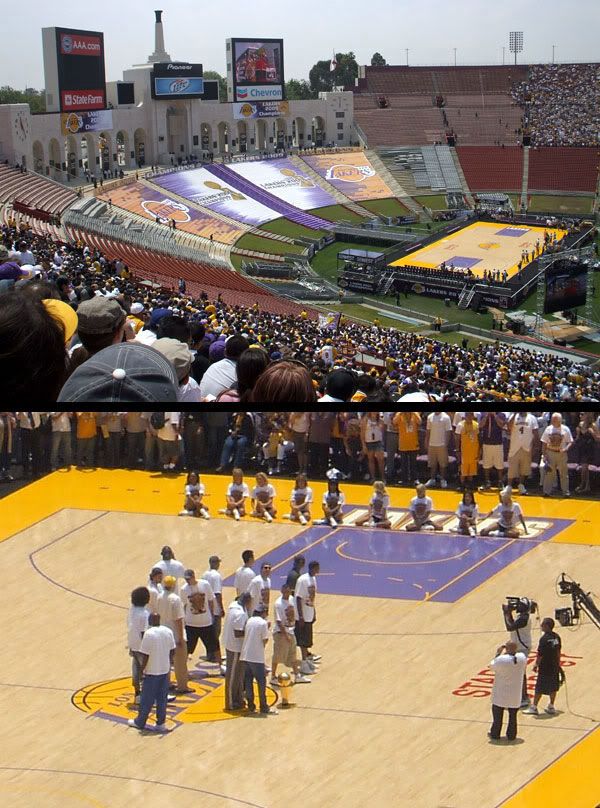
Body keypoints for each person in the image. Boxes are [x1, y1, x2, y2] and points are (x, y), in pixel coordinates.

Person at [128, 613, 175, 733]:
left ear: (150, 620)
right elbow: (172, 649)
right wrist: (168, 662)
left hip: (152, 671)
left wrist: (142, 670)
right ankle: (161, 723)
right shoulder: (168, 631)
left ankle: (140, 721)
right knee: (162, 699)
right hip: (165, 670)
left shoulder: (149, 634)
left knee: (147, 699)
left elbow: (145, 654)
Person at [240, 603, 277, 715]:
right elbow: (264, 640)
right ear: (264, 612)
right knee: (261, 682)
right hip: (256, 657)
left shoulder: (249, 621)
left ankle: (251, 706)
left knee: (248, 681)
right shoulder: (263, 623)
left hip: (245, 656)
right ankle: (263, 706)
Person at [271, 583, 311, 686]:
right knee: (277, 655)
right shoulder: (278, 604)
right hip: (281, 633)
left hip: (291, 631)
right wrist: (285, 635)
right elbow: (279, 622)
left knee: (293, 654)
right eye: (285, 591)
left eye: (288, 591)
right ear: (281, 591)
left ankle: (297, 676)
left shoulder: (292, 599)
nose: (287, 593)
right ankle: (273, 677)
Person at [156, 575, 190, 694]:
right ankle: (182, 686)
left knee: (165, 662)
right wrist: (180, 638)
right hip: (174, 634)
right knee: (180, 662)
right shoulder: (175, 599)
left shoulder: (159, 597)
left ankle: (167, 684)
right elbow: (178, 619)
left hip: (163, 633)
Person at [488, 640, 527, 741]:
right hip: (515, 694)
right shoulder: (522, 658)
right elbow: (516, 655)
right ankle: (511, 735)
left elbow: (491, 666)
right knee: (513, 717)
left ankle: (495, 734)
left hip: (501, 693)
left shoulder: (501, 660)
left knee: (497, 716)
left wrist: (498, 653)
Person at [181, 569, 220, 667]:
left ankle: (220, 665)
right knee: (187, 648)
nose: (187, 581)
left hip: (206, 622)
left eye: (189, 579)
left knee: (215, 645)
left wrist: (212, 614)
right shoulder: (184, 589)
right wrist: (183, 620)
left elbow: (211, 600)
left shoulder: (205, 585)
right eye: (186, 579)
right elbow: (184, 605)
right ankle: (183, 668)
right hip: (191, 624)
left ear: (194, 576)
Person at [523, 618, 562, 715]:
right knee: (553, 686)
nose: (541, 626)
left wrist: (536, 664)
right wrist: (558, 664)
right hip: (554, 666)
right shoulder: (556, 637)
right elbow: (558, 651)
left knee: (539, 687)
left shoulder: (544, 639)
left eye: (543, 624)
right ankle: (551, 706)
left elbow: (540, 654)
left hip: (545, 667)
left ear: (547, 626)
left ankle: (534, 707)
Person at [503, 597, 536, 707]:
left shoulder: (524, 619)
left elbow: (510, 627)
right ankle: (518, 695)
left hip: (522, 647)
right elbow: (513, 624)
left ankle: (524, 697)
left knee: (520, 673)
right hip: (518, 645)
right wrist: (509, 614)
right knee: (515, 672)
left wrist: (506, 613)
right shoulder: (522, 616)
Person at [223, 591, 252, 711]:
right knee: (233, 675)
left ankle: (238, 699)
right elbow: (238, 632)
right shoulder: (240, 613)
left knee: (239, 675)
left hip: (236, 646)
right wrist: (251, 631)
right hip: (235, 647)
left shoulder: (234, 605)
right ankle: (230, 702)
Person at [295, 560, 321, 675]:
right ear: (313, 568)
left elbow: (312, 597)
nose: (318, 570)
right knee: (303, 640)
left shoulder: (313, 579)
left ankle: (306, 659)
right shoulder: (302, 580)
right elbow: (298, 598)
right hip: (303, 615)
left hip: (309, 613)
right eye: (317, 568)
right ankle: (304, 663)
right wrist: (300, 616)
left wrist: (313, 611)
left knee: (308, 640)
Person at [541, 413, 574, 498]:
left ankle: (566, 492)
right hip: (550, 452)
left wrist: (566, 449)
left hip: (562, 453)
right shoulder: (548, 429)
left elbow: (570, 441)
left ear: (560, 420)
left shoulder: (565, 429)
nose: (553, 421)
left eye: (555, 419)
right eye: (553, 419)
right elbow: (544, 442)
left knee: (563, 474)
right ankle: (546, 492)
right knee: (549, 473)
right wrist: (544, 455)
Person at [127, 587, 150, 706]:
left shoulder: (132, 610)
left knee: (136, 670)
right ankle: (149, 695)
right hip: (142, 646)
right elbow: (144, 632)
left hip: (132, 643)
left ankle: (137, 694)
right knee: (147, 671)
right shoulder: (145, 614)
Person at [507, 412, 539, 495]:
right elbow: (509, 427)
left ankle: (521, 486)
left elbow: (535, 432)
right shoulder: (513, 416)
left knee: (524, 469)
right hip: (515, 446)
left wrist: (536, 446)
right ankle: (509, 487)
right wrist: (514, 414)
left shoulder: (532, 418)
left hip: (526, 447)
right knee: (512, 468)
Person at [479, 412, 507, 491]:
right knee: (486, 464)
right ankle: (487, 482)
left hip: (498, 443)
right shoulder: (484, 414)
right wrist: (487, 416)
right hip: (487, 443)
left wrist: (494, 416)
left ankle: (500, 482)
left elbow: (501, 425)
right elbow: (480, 425)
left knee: (499, 464)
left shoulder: (501, 415)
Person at [425, 411, 452, 489]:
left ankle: (443, 479)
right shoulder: (430, 417)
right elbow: (428, 430)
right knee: (432, 463)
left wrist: (445, 443)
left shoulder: (446, 417)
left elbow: (448, 431)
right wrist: (426, 441)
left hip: (442, 444)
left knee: (442, 463)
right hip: (431, 444)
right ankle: (432, 479)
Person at [393, 411, 421, 485]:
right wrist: (400, 414)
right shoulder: (399, 414)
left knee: (413, 463)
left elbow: (420, 422)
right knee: (403, 463)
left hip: (413, 443)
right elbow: (394, 422)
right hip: (403, 443)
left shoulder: (415, 414)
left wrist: (414, 413)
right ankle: (404, 479)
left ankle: (415, 479)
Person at [455, 412, 480, 491]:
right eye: (467, 415)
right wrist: (457, 450)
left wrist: (479, 450)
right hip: (464, 451)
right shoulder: (460, 425)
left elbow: (479, 438)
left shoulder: (476, 425)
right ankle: (462, 485)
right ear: (465, 416)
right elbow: (457, 438)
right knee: (463, 469)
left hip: (473, 451)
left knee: (472, 469)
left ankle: (470, 484)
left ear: (473, 416)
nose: (469, 417)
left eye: (471, 415)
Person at [360, 412, 385, 482]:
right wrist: (363, 445)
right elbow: (362, 433)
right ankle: (373, 477)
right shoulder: (366, 420)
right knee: (371, 460)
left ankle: (383, 477)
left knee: (381, 460)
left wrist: (380, 420)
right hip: (369, 442)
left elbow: (382, 429)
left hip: (378, 441)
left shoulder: (380, 419)